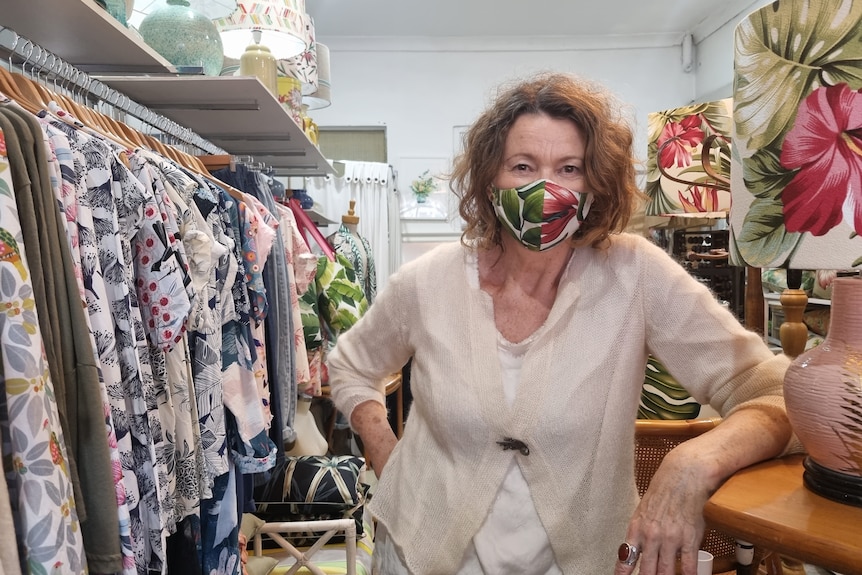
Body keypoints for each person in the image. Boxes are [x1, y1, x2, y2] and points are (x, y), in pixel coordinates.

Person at [326, 72, 795, 575]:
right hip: (422, 552)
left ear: (594, 183)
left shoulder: (634, 274)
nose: (544, 188)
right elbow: (351, 368)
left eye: (569, 168)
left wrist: (690, 463)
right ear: (491, 179)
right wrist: (384, 450)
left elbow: (773, 392)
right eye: (522, 166)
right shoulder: (426, 282)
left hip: (582, 559)